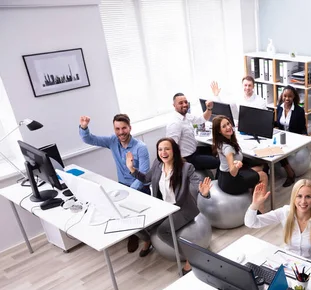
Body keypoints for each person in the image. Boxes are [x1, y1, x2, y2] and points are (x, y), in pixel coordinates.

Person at [126, 138, 212, 274]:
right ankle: (148, 240)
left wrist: (204, 192)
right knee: (138, 223)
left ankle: (191, 258)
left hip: (181, 209)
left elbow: (197, 183)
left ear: (174, 151)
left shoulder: (186, 167)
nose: (163, 152)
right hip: (162, 207)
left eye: (167, 149)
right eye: (160, 149)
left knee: (162, 231)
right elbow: (146, 179)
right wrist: (132, 169)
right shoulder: (157, 164)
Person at [78, 114, 150, 253]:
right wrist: (84, 127)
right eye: (117, 129)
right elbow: (89, 139)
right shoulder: (112, 141)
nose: (121, 132)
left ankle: (146, 239)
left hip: (139, 187)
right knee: (115, 210)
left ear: (130, 128)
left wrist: (130, 192)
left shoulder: (140, 147)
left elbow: (144, 175)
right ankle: (134, 234)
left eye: (124, 128)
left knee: (129, 212)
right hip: (122, 185)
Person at [244, 180, 311, 264]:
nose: (303, 201)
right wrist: (255, 204)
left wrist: (305, 267)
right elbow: (251, 223)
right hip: (289, 264)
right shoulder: (285, 212)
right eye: (299, 196)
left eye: (308, 197)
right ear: (294, 197)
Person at [212, 115, 268, 197]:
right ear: (219, 131)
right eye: (224, 126)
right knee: (263, 175)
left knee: (260, 168)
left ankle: (254, 195)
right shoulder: (228, 148)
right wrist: (237, 166)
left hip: (223, 178)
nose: (228, 127)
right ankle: (260, 207)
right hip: (231, 183)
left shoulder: (221, 142)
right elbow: (233, 172)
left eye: (228, 123)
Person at [166, 92, 219, 172]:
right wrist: (181, 166)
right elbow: (170, 147)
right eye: (180, 103)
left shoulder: (186, 116)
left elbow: (202, 119)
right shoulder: (174, 123)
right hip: (187, 159)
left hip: (195, 151)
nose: (184, 105)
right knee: (218, 162)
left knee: (216, 149)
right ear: (174, 105)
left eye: (185, 102)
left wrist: (209, 108)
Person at [276, 85, 307, 187]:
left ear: (294, 97)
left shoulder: (299, 111)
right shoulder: (279, 108)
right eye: (285, 96)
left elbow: (303, 128)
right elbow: (278, 123)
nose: (286, 99)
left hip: (294, 138)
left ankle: (290, 173)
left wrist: (304, 137)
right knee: (274, 148)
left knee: (280, 151)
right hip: (282, 137)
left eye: (289, 96)